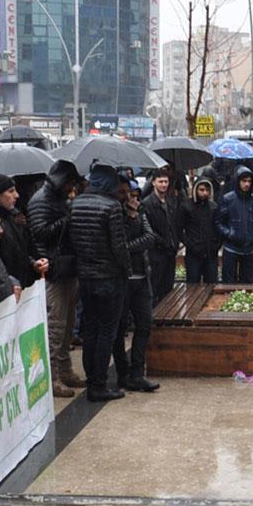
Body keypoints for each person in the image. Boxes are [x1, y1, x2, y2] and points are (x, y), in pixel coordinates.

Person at [70, 165, 130, 402]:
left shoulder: (76, 204)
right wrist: (126, 269)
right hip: (109, 277)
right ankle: (99, 384)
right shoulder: (112, 206)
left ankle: (91, 380)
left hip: (85, 276)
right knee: (107, 331)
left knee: (91, 330)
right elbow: (119, 246)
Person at [27, 161, 83, 394]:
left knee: (67, 326)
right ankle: (52, 377)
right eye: (70, 182)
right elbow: (40, 232)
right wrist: (67, 218)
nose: (71, 187)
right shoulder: (41, 200)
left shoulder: (59, 198)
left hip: (66, 268)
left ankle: (65, 369)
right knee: (55, 328)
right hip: (53, 271)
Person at [112, 178, 160, 393]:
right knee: (119, 328)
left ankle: (137, 372)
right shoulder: (115, 215)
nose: (130, 198)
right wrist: (131, 220)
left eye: (132, 194)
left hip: (142, 277)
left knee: (144, 324)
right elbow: (118, 243)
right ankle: (123, 373)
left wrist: (129, 246)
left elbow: (149, 237)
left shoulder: (139, 212)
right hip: (123, 278)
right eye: (125, 194)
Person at [0, 174, 48, 288]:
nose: (17, 195)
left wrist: (33, 264)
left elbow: (20, 252)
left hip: (23, 287)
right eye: (11, 191)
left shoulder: (13, 218)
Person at [216, 167, 253, 284]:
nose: (247, 184)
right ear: (238, 181)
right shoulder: (227, 199)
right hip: (231, 248)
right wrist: (229, 233)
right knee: (228, 284)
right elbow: (218, 221)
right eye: (244, 181)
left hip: (249, 249)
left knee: (248, 284)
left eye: (249, 181)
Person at [143, 170, 179, 303]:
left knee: (168, 287)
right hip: (156, 252)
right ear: (153, 182)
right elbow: (148, 229)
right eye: (161, 182)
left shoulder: (171, 200)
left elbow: (174, 224)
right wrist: (162, 242)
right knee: (155, 286)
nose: (164, 185)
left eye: (166, 182)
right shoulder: (147, 203)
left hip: (170, 250)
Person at [179, 176, 218, 284]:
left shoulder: (213, 207)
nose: (205, 193)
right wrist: (190, 244)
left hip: (210, 253)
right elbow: (179, 229)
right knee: (192, 285)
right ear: (195, 190)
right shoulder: (186, 206)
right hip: (193, 254)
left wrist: (216, 245)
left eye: (207, 190)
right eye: (201, 190)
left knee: (211, 285)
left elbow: (218, 228)